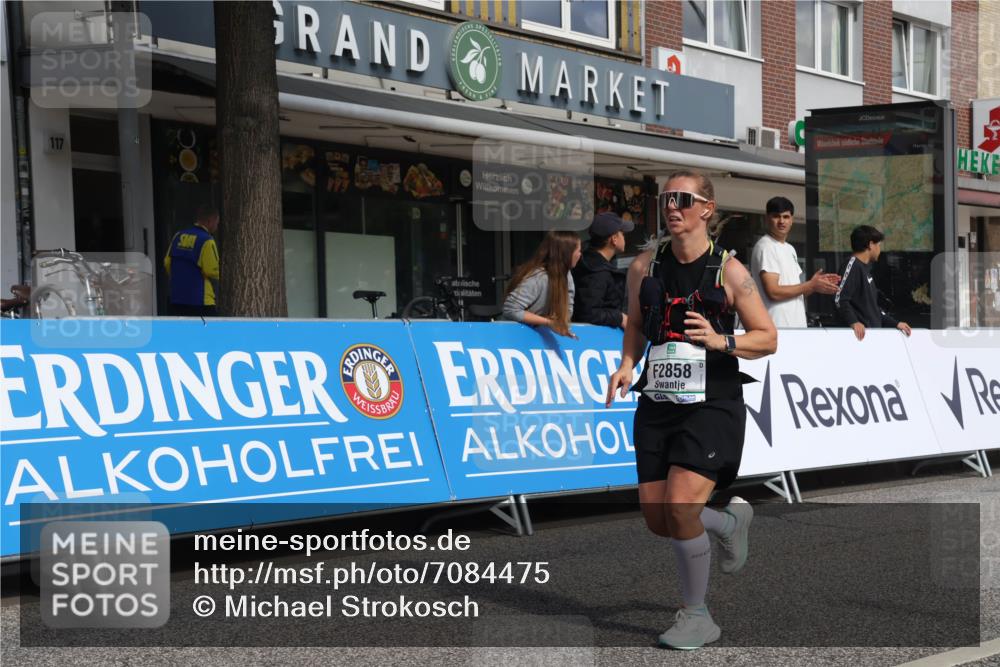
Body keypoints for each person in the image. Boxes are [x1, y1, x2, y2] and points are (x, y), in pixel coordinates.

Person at [605, 171, 777, 650]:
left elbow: (768, 338)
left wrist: (722, 340)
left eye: (683, 199)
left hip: (713, 401)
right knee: (660, 519)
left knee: (680, 509)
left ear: (707, 208)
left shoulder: (731, 270)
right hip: (658, 399)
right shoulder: (644, 265)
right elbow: (636, 324)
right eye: (666, 200)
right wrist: (625, 365)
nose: (672, 207)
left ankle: (697, 615)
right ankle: (727, 522)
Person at [750, 196, 839, 327]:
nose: (781, 221)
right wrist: (810, 285)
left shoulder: (789, 248)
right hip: (777, 327)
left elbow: (797, 292)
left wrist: (815, 285)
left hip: (795, 328)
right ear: (767, 218)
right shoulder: (766, 246)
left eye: (786, 217)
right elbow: (773, 292)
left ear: (792, 220)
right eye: (776, 216)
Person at [834, 225, 912, 340]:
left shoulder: (865, 269)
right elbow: (839, 298)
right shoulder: (852, 265)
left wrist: (895, 323)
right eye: (879, 245)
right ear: (870, 245)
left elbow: (873, 309)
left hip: (872, 338)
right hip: (858, 340)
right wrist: (854, 322)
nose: (880, 249)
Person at [501, 230, 582, 337]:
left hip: (536, 336)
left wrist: (560, 322)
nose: (580, 255)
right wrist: (548, 322)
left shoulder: (567, 275)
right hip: (514, 336)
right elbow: (510, 309)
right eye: (578, 251)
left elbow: (568, 310)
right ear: (566, 253)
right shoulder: (539, 277)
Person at [571, 212, 633, 329]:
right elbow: (589, 314)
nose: (625, 238)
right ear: (614, 239)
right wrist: (620, 317)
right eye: (623, 234)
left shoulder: (591, 262)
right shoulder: (596, 272)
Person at [164, 205, 220, 317]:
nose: (217, 226)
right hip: (201, 302)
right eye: (217, 223)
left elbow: (167, 263)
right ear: (210, 221)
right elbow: (212, 271)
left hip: (176, 299)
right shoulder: (207, 240)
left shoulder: (178, 236)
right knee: (208, 334)